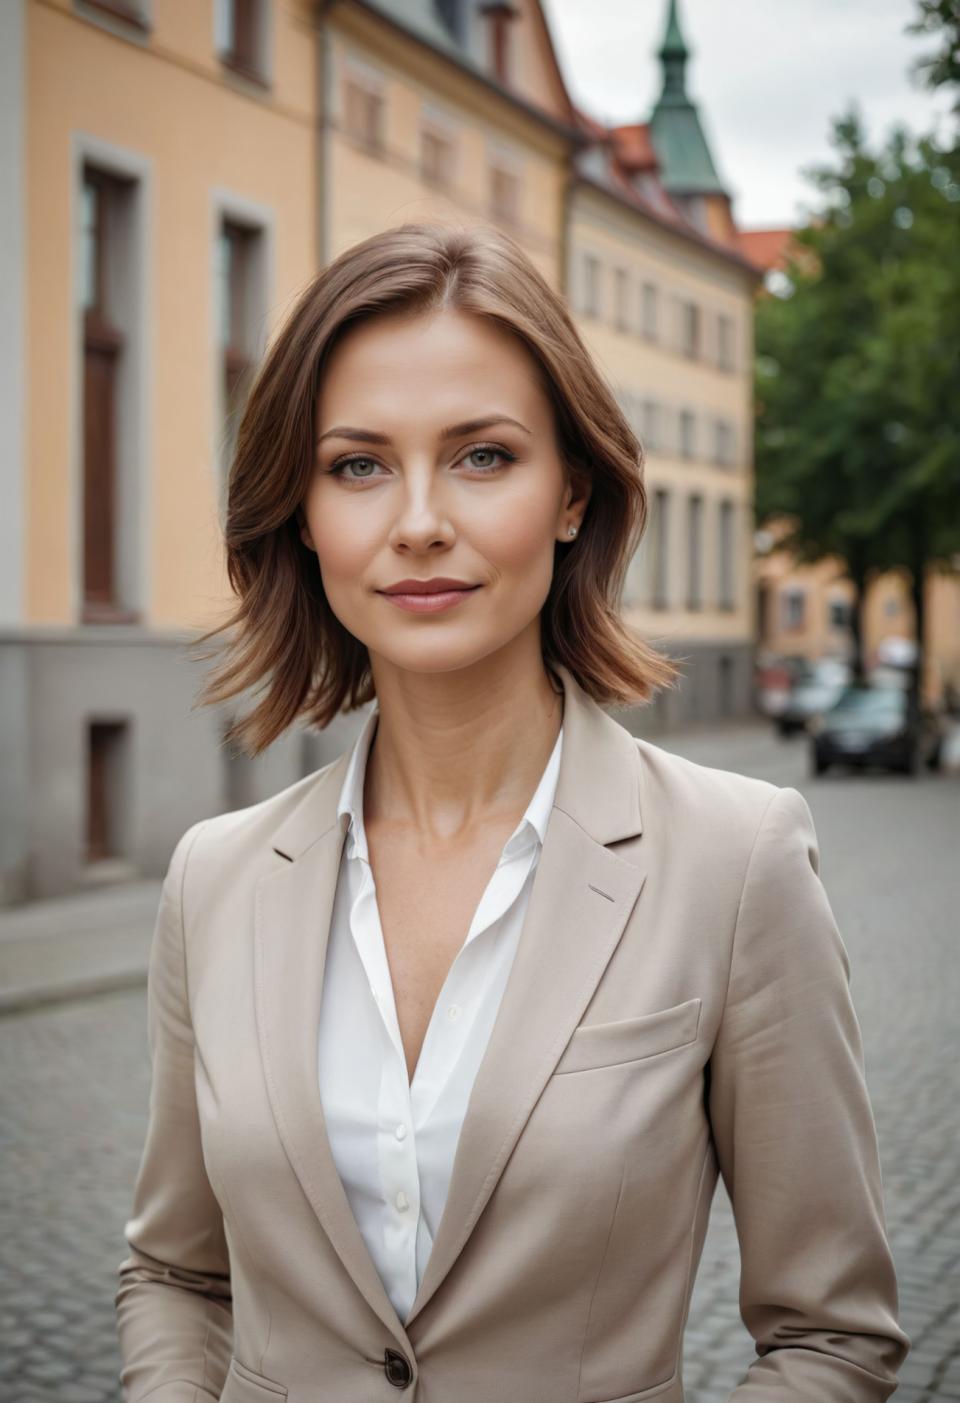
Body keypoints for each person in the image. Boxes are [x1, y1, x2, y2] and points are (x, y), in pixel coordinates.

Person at [115, 221, 910, 1402]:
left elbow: (831, 1332)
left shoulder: (733, 860)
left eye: (483, 456)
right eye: (358, 464)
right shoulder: (215, 877)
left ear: (573, 494)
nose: (420, 518)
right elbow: (177, 1274)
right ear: (303, 513)